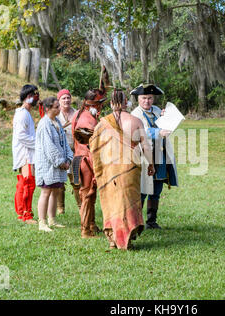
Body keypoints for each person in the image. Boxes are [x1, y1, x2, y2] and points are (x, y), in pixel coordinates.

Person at [90, 89, 155, 250]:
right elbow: (145, 145)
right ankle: (127, 239)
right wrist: (151, 164)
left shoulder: (102, 123)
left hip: (110, 169)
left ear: (111, 103)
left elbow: (94, 146)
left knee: (112, 202)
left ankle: (113, 239)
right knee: (128, 202)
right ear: (126, 103)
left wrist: (96, 168)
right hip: (130, 167)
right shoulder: (135, 121)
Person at [130, 84, 178, 229]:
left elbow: (166, 126)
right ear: (138, 98)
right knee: (143, 190)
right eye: (144, 98)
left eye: (150, 98)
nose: (147, 101)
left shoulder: (157, 111)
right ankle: (137, 222)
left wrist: (166, 118)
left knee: (156, 190)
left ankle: (152, 221)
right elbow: (140, 133)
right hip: (145, 156)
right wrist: (158, 132)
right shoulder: (135, 114)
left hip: (160, 155)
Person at [71, 89, 107, 238]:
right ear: (93, 104)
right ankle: (85, 229)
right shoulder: (86, 120)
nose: (101, 107)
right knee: (87, 194)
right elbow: (89, 147)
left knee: (90, 195)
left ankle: (91, 224)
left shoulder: (82, 115)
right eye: (100, 103)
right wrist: (96, 168)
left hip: (82, 159)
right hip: (85, 160)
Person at [35, 97, 74, 232]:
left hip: (59, 164)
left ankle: (52, 219)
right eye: (56, 107)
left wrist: (68, 158)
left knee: (55, 191)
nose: (59, 109)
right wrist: (60, 162)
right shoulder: (44, 124)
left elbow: (64, 143)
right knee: (46, 191)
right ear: (48, 109)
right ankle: (42, 222)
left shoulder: (56, 121)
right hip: (48, 165)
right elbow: (49, 147)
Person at [12, 84, 39, 225]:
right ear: (28, 97)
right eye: (35, 95)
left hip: (28, 153)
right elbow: (21, 135)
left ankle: (22, 212)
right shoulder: (22, 114)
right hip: (25, 154)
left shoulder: (25, 113)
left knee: (25, 183)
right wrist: (38, 144)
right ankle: (25, 214)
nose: (36, 98)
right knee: (28, 183)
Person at [55, 89, 80, 215]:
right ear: (59, 101)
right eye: (63, 98)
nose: (66, 100)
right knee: (60, 182)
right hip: (60, 153)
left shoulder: (77, 113)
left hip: (75, 152)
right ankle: (60, 208)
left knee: (76, 180)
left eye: (68, 98)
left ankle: (81, 205)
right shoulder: (55, 115)